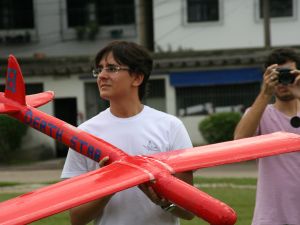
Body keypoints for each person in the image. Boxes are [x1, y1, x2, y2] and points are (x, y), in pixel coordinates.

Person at [61, 41, 194, 225]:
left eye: (112, 68)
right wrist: (108, 184)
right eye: (99, 69)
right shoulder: (85, 134)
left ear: (137, 78)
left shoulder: (170, 126)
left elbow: (189, 210)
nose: (102, 76)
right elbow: (77, 218)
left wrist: (164, 202)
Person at [234, 48, 300, 225]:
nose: (283, 82)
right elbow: (239, 143)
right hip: (272, 217)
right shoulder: (261, 114)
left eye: (288, 75)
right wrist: (265, 93)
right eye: (276, 76)